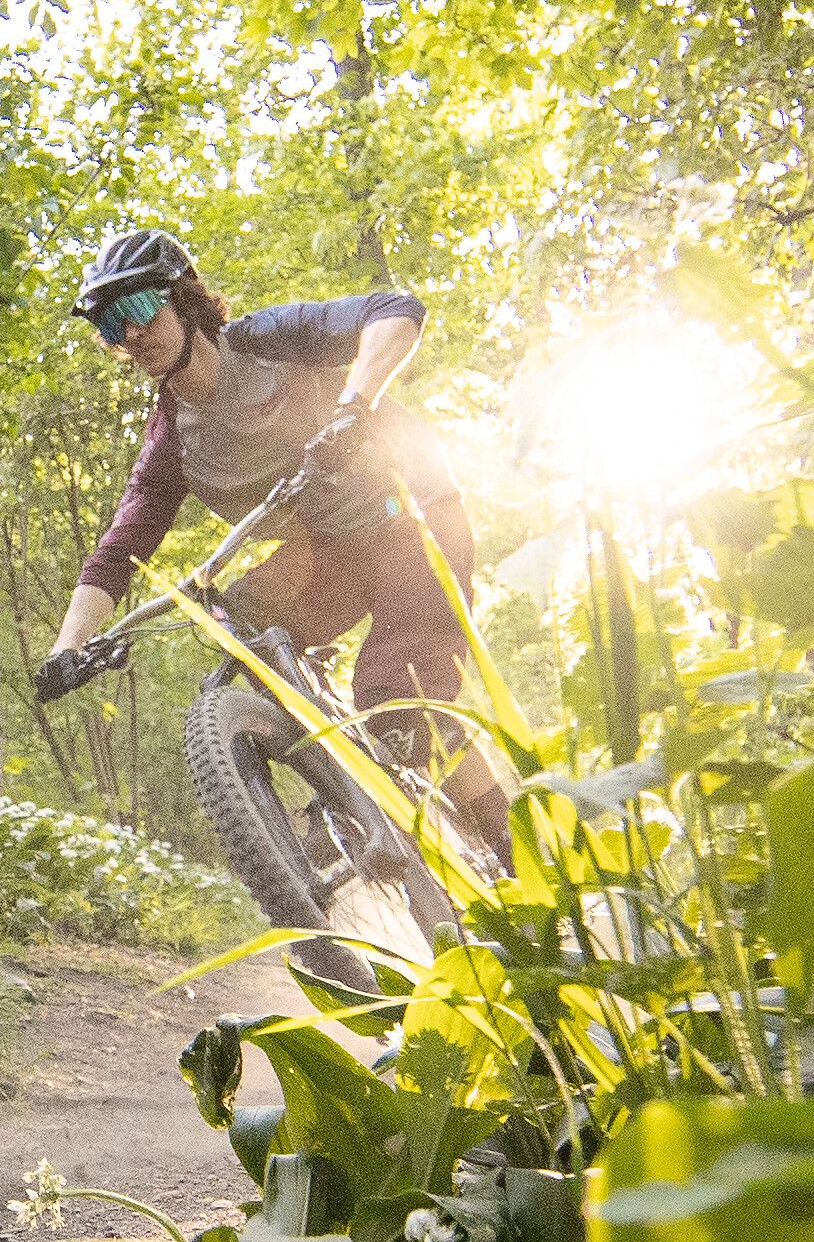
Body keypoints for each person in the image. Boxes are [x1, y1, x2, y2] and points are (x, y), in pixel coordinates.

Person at [34, 226, 509, 864]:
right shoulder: (172, 439)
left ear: (182, 298)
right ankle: (343, 786)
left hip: (414, 518)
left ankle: (510, 844)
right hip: (333, 552)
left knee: (393, 695)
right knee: (237, 617)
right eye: (111, 325)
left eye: (140, 310)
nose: (131, 335)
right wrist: (70, 649)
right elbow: (119, 550)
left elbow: (397, 311)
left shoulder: (268, 342)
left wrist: (354, 406)